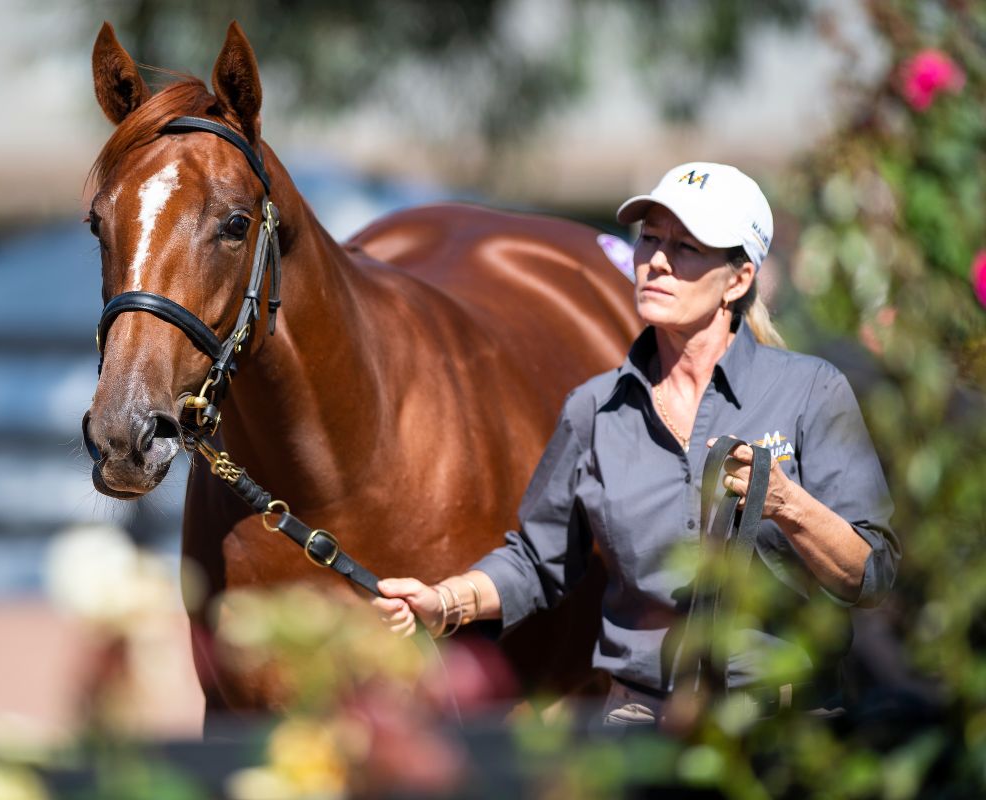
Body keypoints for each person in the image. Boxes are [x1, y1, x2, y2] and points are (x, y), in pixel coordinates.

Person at [373, 162, 899, 726]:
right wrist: (446, 602)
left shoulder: (812, 391)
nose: (657, 261)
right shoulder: (594, 410)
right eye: (649, 239)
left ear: (738, 279)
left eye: (686, 247)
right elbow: (537, 560)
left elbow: (872, 575)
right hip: (640, 728)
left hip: (788, 728)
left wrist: (789, 506)